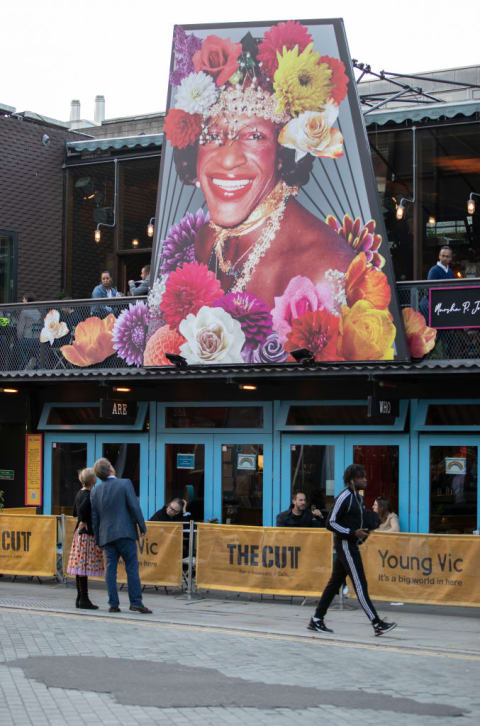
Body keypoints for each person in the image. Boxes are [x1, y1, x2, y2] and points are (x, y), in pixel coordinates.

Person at [151, 24, 401, 367]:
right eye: (212, 135)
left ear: (284, 150)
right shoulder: (205, 239)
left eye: (253, 135)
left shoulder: (326, 267)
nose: (227, 158)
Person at [308, 464, 397, 636]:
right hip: (345, 546)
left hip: (350, 545)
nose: (365, 479)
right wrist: (352, 533)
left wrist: (363, 532)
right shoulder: (345, 497)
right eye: (360, 477)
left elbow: (355, 521)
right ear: (351, 480)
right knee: (360, 584)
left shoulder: (358, 497)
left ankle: (317, 619)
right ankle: (377, 623)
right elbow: (330, 523)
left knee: (334, 584)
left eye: (364, 476)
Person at [91, 457, 152, 614]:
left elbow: (95, 517)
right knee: (132, 567)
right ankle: (136, 602)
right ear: (111, 468)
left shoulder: (95, 491)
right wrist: (142, 527)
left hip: (107, 535)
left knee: (110, 569)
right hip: (125, 533)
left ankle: (113, 604)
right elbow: (134, 506)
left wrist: (98, 539)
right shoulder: (125, 483)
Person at [66, 468, 104, 609]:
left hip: (79, 534)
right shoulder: (89, 495)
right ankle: (84, 599)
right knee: (83, 567)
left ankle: (80, 598)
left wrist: (82, 520)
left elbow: (75, 511)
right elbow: (81, 512)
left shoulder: (79, 493)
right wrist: (85, 521)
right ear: (93, 480)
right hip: (86, 534)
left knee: (80, 568)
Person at [16, 294, 42, 368]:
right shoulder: (39, 312)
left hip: (28, 340)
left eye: (23, 300)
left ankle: (22, 366)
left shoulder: (24, 312)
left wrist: (19, 338)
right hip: (39, 341)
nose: (22, 301)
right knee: (29, 347)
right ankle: (32, 361)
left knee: (17, 344)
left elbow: (20, 330)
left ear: (27, 300)